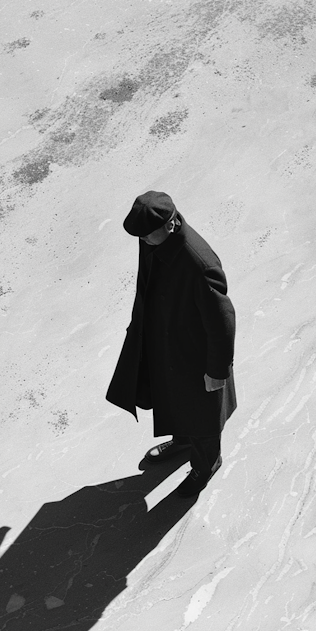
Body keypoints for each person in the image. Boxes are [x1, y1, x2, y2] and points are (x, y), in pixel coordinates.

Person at [106, 191, 236, 498]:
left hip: (194, 355)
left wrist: (217, 370)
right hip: (163, 342)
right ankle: (182, 441)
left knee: (202, 418)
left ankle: (206, 464)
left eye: (147, 235)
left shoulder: (198, 263)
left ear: (171, 224)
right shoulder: (153, 238)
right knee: (172, 400)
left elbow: (223, 319)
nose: (143, 241)